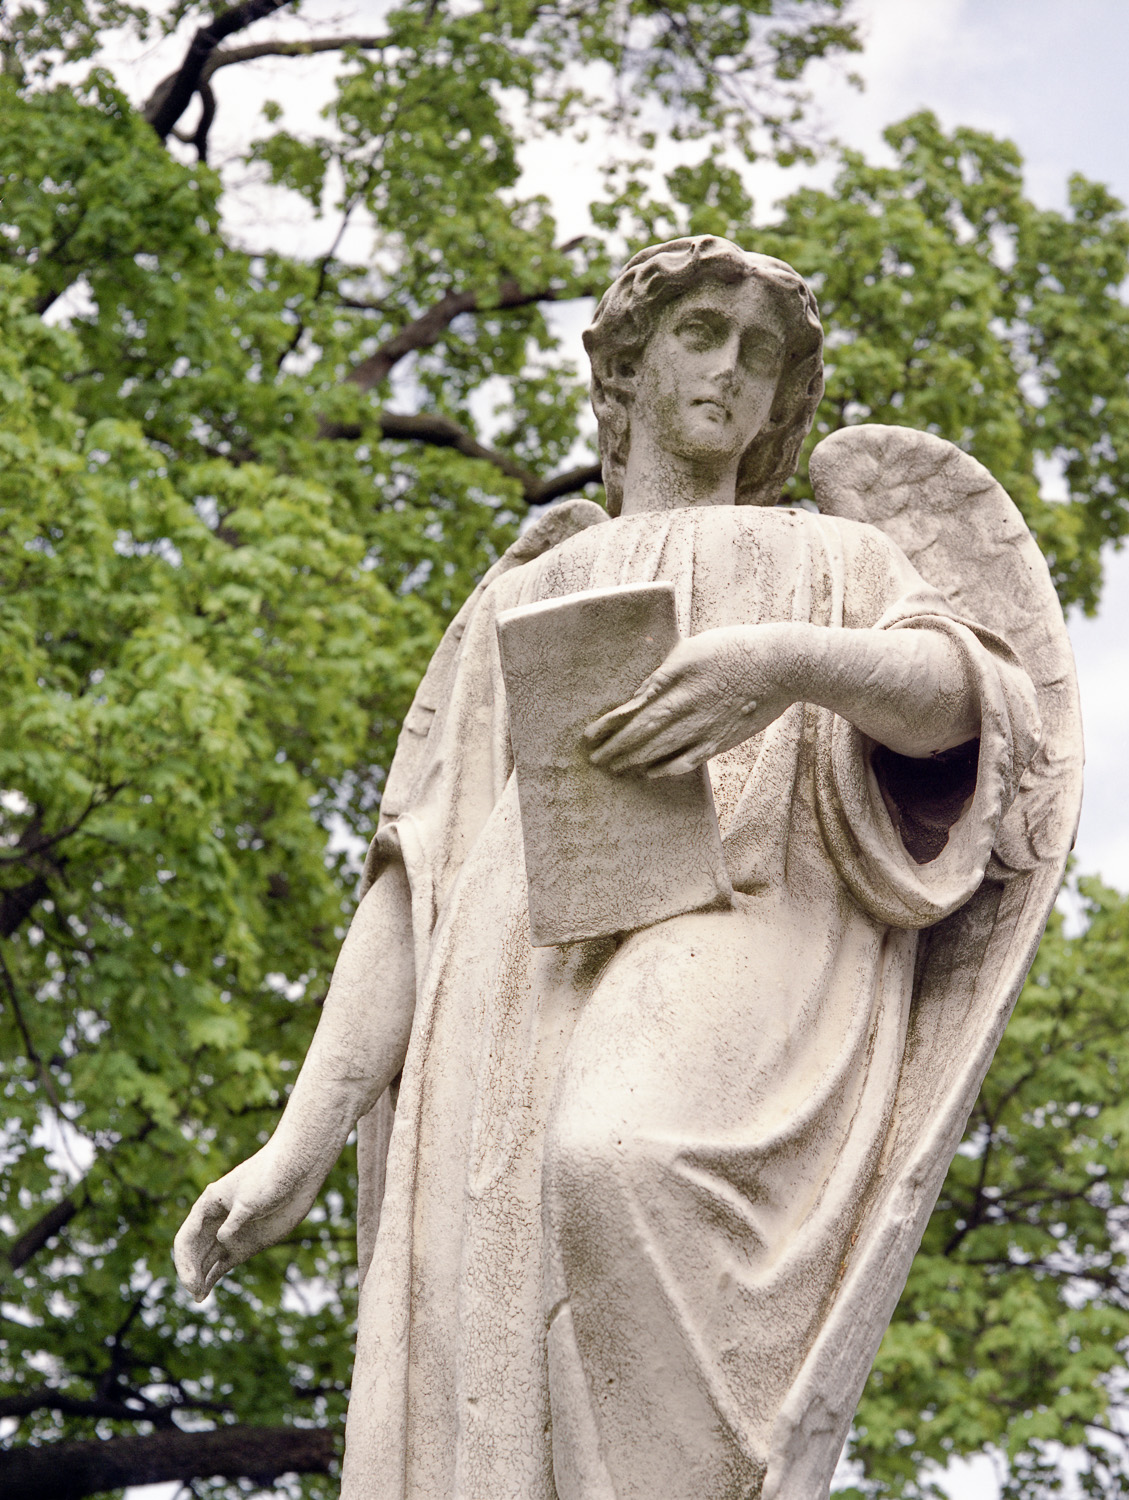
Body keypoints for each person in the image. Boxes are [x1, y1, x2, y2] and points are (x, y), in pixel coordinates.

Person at [175, 236, 1042, 1500]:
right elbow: (415, 879)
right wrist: (297, 1145)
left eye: (762, 355)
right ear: (626, 370)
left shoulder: (834, 559)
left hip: (754, 898)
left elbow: (975, 699)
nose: (731, 372)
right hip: (513, 953)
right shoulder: (527, 590)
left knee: (621, 1154)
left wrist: (784, 665)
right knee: (484, 1300)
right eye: (701, 335)